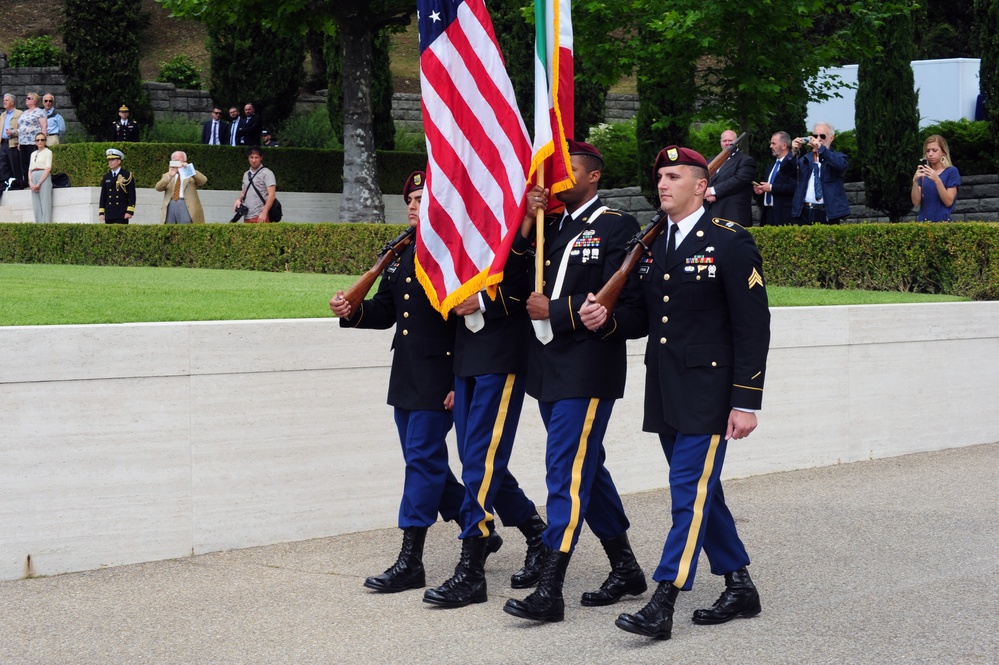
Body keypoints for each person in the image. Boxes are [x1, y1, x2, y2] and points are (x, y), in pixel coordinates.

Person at [588, 145, 770, 641]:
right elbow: (644, 320)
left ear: (699, 185)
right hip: (667, 389)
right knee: (701, 490)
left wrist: (746, 400)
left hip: (711, 391)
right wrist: (607, 320)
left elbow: (753, 325)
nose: (663, 183)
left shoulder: (729, 241)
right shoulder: (653, 245)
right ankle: (739, 584)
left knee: (686, 493)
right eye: (659, 176)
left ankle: (664, 598)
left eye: (673, 176)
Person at [503, 140, 647, 624]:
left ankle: (551, 587)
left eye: (570, 172)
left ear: (593, 177)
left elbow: (621, 301)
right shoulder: (552, 224)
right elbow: (515, 275)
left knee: (564, 468)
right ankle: (625, 567)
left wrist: (558, 311)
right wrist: (527, 219)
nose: (559, 180)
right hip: (548, 367)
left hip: (587, 366)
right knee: (588, 467)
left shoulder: (615, 225)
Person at [329, 171, 467, 594]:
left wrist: (460, 381)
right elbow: (387, 311)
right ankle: (491, 525)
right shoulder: (403, 249)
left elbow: (471, 327)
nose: (411, 203)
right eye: (409, 197)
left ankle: (411, 560)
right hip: (406, 373)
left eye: (422, 198)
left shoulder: (453, 253)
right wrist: (352, 310)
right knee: (426, 463)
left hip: (440, 375)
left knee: (422, 462)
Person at [422, 226, 548, 608]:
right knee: (477, 458)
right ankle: (536, 532)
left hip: (502, 357)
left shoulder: (523, 234)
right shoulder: (470, 221)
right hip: (467, 358)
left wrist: (483, 302)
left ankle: (471, 570)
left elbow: (531, 289)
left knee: (481, 460)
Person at [791, 122, 849, 225]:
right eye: (815, 136)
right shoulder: (805, 159)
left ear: (831, 138)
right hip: (804, 211)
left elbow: (841, 166)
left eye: (822, 136)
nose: (818, 138)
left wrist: (821, 149)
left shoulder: (838, 157)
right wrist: (793, 152)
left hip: (826, 212)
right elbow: (787, 173)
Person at [705, 129, 756, 226]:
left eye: (730, 140)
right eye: (724, 141)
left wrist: (713, 192)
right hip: (711, 213)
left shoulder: (746, 161)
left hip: (733, 215)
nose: (727, 143)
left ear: (737, 142)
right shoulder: (711, 161)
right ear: (720, 142)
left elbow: (738, 181)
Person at [911, 134, 960, 222]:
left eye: (934, 150)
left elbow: (948, 202)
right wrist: (914, 181)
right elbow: (916, 202)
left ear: (943, 152)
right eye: (928, 151)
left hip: (943, 223)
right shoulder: (923, 173)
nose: (930, 154)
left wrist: (937, 180)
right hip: (923, 223)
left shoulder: (951, 171)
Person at [754, 131, 796, 226]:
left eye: (774, 143)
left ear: (784, 145)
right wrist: (762, 190)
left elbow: (793, 187)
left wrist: (771, 188)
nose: (770, 146)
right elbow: (769, 187)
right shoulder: (771, 167)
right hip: (767, 213)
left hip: (783, 214)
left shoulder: (793, 164)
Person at [154, 150, 208, 224]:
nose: (177, 162)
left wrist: (189, 168)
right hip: (171, 203)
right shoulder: (167, 175)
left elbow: (203, 181)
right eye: (175, 160)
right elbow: (158, 188)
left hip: (186, 203)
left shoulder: (191, 173)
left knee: (186, 225)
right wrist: (170, 176)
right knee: (170, 227)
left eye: (180, 160)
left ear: (185, 161)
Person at [234, 147, 276, 223]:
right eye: (251, 157)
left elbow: (272, 195)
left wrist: (264, 212)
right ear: (248, 158)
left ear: (261, 158)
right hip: (247, 215)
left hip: (260, 216)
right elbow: (243, 192)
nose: (254, 160)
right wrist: (239, 200)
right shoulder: (246, 174)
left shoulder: (267, 173)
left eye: (256, 157)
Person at [98, 148, 136, 224]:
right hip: (109, 212)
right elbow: (103, 196)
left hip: (121, 212)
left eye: (113, 160)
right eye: (109, 160)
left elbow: (132, 195)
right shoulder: (106, 176)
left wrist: (129, 211)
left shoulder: (127, 175)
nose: (110, 162)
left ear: (119, 161)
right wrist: (101, 213)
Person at [18, 93, 48, 186]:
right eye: (26, 98)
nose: (26, 100)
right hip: (23, 141)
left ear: (35, 101)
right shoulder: (24, 112)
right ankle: (26, 181)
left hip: (33, 141)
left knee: (33, 162)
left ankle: (34, 180)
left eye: (29, 98)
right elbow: (21, 127)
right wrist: (19, 141)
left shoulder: (39, 112)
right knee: (24, 162)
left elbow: (44, 126)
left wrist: (42, 139)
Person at [27, 133, 52, 223]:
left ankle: (46, 224)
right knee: (36, 203)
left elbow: (48, 168)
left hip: (43, 175)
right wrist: (30, 182)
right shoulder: (33, 154)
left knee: (45, 202)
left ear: (45, 141)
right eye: (38, 140)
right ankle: (38, 224)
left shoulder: (48, 152)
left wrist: (39, 183)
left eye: (42, 140)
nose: (40, 142)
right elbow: (30, 169)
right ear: (35, 142)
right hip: (33, 175)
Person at [1, 93, 24, 189]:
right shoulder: (2, 115)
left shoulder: (19, 114)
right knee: (2, 166)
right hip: (3, 144)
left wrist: (13, 132)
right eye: (4, 100)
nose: (4, 102)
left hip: (13, 144)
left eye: (6, 100)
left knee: (15, 166)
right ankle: (4, 186)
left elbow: (23, 129)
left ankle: (18, 185)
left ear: (12, 102)